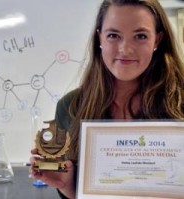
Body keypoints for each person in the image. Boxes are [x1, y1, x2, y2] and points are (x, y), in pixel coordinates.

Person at [30, 0, 184, 198]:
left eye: (140, 36)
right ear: (99, 38)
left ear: (157, 40)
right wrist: (68, 187)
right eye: (113, 35)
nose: (125, 49)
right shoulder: (70, 107)